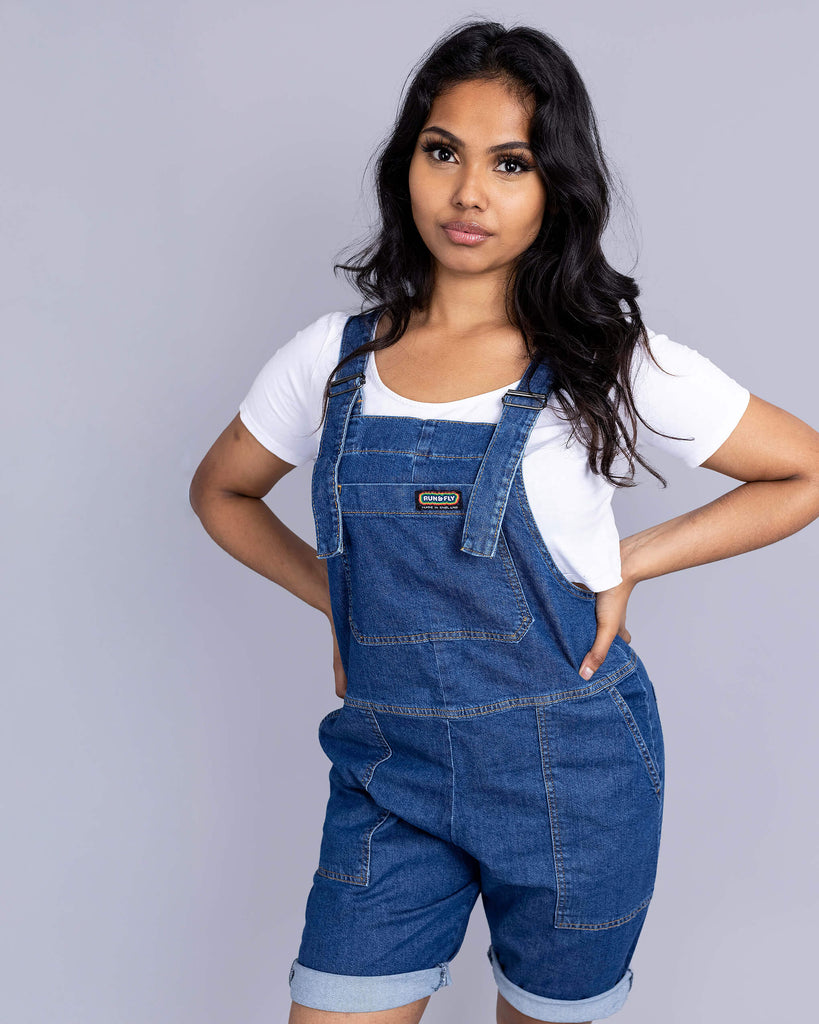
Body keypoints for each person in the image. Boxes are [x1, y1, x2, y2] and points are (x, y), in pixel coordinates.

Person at [189, 19, 819, 1024]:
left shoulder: (600, 359)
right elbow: (219, 489)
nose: (468, 192)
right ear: (409, 166)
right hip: (389, 774)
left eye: (510, 162)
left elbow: (805, 471)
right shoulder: (331, 361)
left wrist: (631, 560)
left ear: (554, 185)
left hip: (573, 775)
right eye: (443, 152)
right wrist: (337, 603)